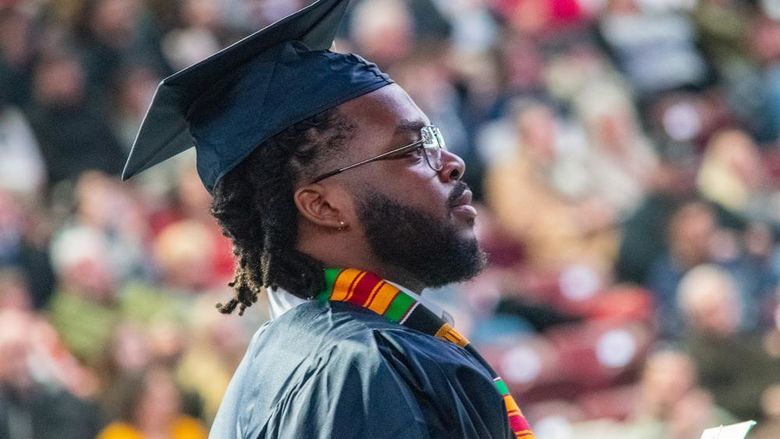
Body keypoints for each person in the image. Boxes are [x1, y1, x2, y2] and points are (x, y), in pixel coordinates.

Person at [120, 0, 535, 438]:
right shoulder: (357, 371)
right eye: (411, 150)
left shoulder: (312, 353)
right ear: (322, 206)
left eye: (432, 138)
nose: (451, 163)